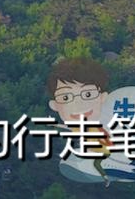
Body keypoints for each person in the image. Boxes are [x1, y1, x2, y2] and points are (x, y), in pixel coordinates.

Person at [47, 56, 112, 184]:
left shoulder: (93, 127)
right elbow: (68, 128)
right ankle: (102, 174)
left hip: (103, 151)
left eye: (87, 95)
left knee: (95, 162)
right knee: (90, 159)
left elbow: (107, 137)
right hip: (98, 151)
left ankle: (105, 174)